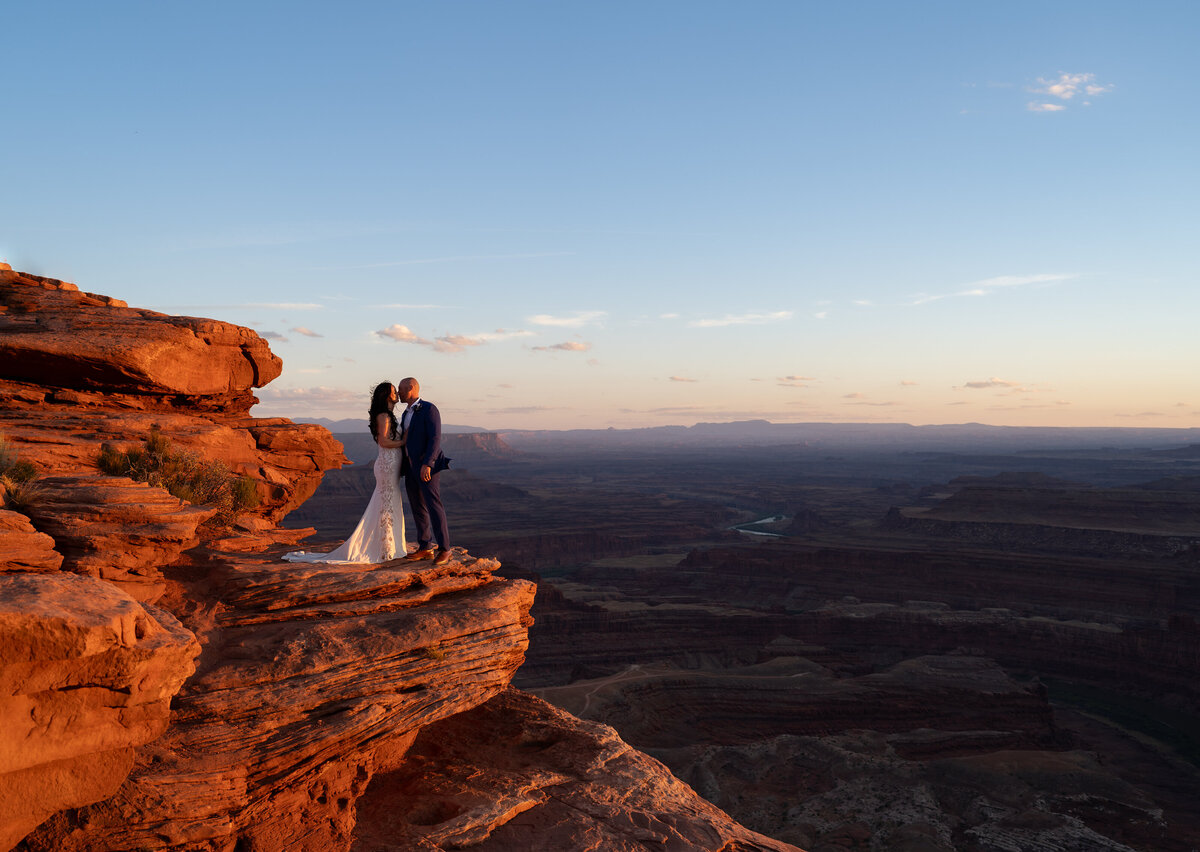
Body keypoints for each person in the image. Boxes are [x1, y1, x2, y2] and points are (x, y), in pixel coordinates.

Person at [284, 382, 407, 564]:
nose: (396, 393)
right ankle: (385, 549)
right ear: (386, 396)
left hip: (391, 464)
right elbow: (384, 442)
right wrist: (403, 442)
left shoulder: (388, 416)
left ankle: (388, 546)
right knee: (386, 504)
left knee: (388, 502)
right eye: (393, 391)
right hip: (387, 465)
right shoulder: (384, 416)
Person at [397, 377, 451, 565]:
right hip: (411, 467)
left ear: (411, 388)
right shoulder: (405, 413)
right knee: (417, 506)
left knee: (433, 505)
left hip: (426, 467)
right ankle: (425, 546)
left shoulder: (429, 409)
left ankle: (445, 549)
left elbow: (435, 439)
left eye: (401, 389)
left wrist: (428, 464)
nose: (398, 393)